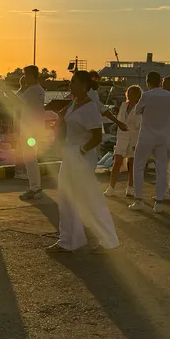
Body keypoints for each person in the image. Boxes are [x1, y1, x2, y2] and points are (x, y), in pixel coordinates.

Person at [51, 70, 120, 253]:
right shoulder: (75, 102)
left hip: (81, 155)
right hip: (69, 153)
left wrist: (80, 151)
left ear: (84, 85)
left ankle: (108, 241)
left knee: (90, 198)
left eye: (73, 82)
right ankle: (69, 241)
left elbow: (97, 137)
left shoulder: (90, 108)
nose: (70, 84)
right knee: (66, 197)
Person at [130, 71, 170, 212]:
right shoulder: (168, 95)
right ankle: (159, 202)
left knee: (138, 167)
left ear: (147, 82)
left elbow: (137, 111)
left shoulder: (146, 95)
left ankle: (139, 200)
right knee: (161, 168)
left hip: (146, 135)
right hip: (162, 136)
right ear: (160, 81)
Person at [16, 65, 46, 201]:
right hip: (35, 127)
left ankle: (34, 188)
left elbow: (15, 101)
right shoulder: (40, 90)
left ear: (33, 76)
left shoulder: (32, 90)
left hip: (29, 129)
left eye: (27, 75)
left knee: (29, 158)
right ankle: (35, 186)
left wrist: (21, 88)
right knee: (31, 158)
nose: (25, 78)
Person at [105, 85, 141, 197]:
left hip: (134, 137)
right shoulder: (123, 105)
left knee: (132, 164)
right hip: (122, 137)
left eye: (132, 94)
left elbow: (140, 124)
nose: (129, 96)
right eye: (128, 94)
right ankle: (111, 187)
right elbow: (119, 120)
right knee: (117, 162)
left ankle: (130, 187)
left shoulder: (141, 108)